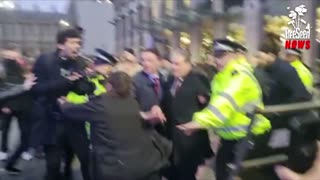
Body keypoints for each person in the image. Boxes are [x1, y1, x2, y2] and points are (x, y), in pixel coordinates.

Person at [176, 39, 271, 180]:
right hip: (231, 138)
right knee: (221, 172)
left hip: (251, 136)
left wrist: (199, 122)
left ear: (235, 55)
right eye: (215, 55)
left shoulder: (240, 76)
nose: (216, 59)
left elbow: (224, 103)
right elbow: (216, 106)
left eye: (222, 55)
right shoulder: (220, 79)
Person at [60, 72, 169, 180]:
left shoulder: (101, 105)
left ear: (109, 86)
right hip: (139, 162)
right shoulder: (132, 102)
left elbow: (70, 111)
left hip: (113, 166)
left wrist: (64, 103)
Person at [31, 28, 91, 180]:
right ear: (60, 45)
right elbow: (37, 89)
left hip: (74, 120)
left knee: (86, 159)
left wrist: (82, 82)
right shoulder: (44, 60)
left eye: (79, 43)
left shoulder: (80, 62)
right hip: (51, 121)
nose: (78, 46)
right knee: (53, 166)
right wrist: (67, 82)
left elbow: (82, 90)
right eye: (73, 42)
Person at [163, 48, 213, 180]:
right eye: (172, 63)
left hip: (189, 140)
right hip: (171, 139)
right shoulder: (170, 80)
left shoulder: (199, 79)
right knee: (172, 174)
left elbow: (208, 106)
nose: (173, 67)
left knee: (187, 175)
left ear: (188, 63)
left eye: (177, 63)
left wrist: (205, 101)